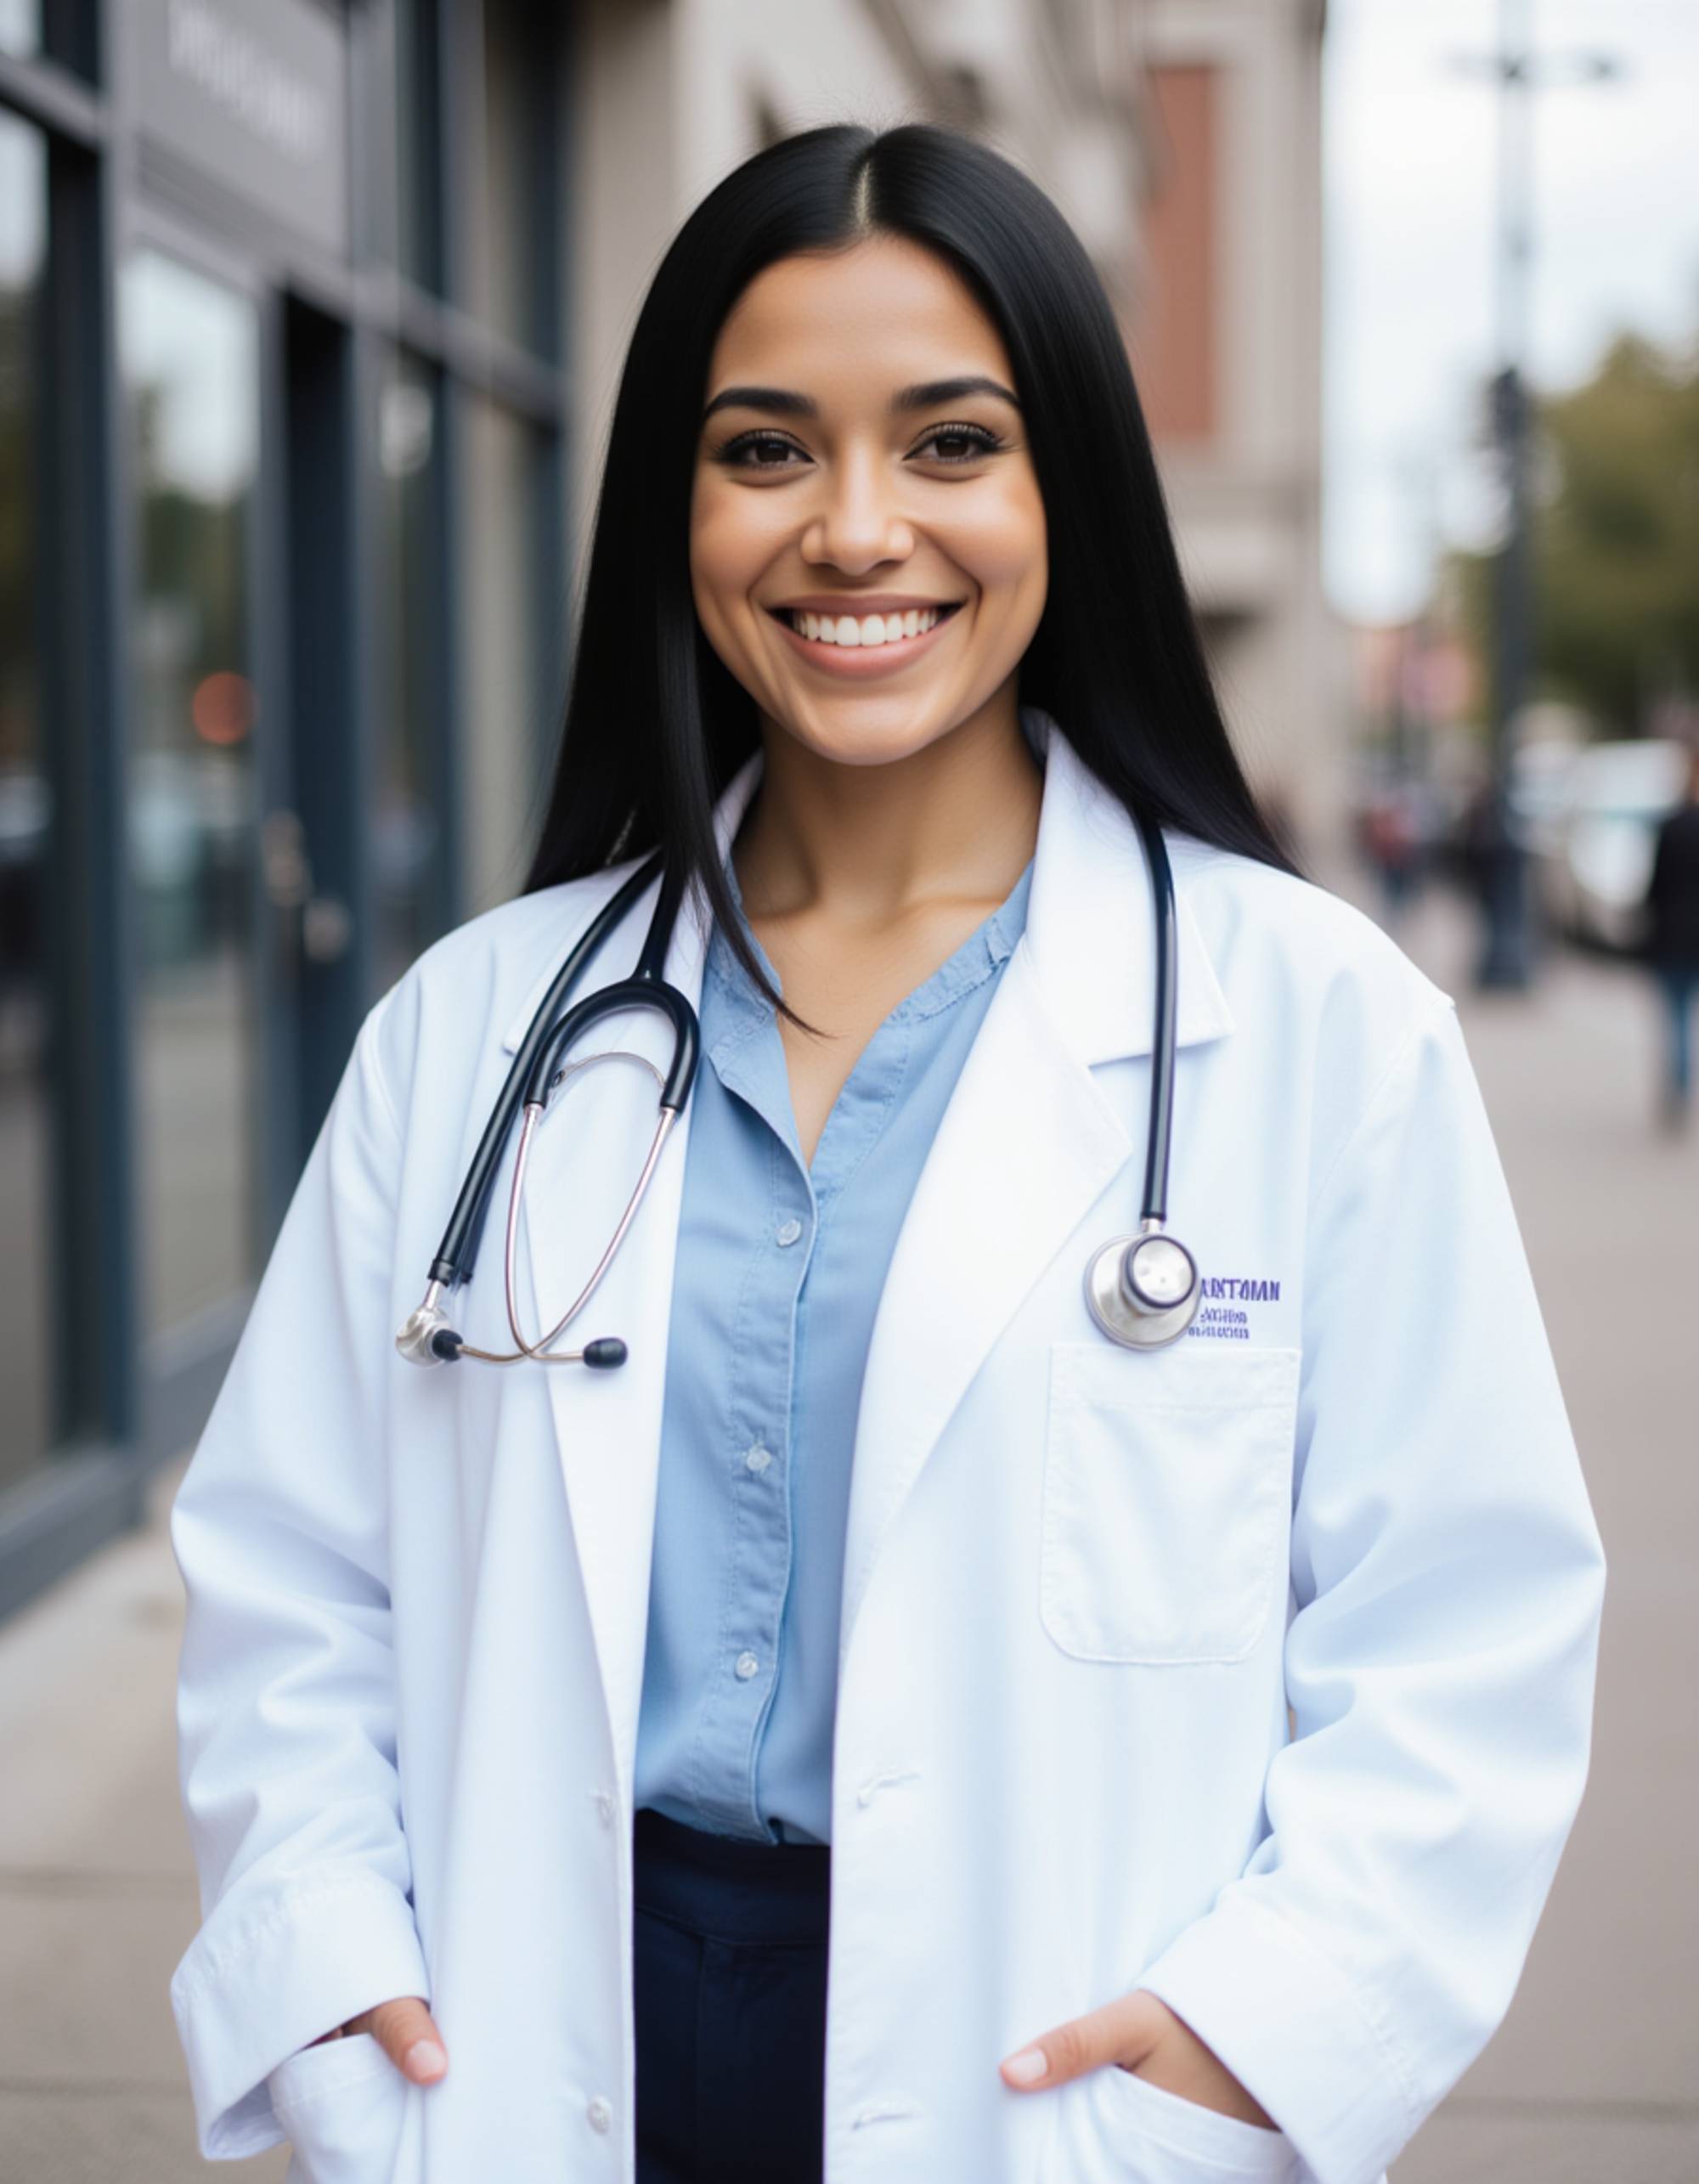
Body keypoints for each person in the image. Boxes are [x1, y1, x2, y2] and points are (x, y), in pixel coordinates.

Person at [167, 124, 1606, 2184]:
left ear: (1066, 492)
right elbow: (290, 1581)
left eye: (948, 446)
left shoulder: (1312, 1029)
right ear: (671, 500)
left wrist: (1255, 2036)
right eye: (763, 450)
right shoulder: (476, 1033)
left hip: (1051, 2059)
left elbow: (1462, 1625)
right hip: (527, 2026)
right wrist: (320, 1972)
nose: (853, 530)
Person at [1645, 743, 1699, 1129]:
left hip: (1673, 936)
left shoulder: (1670, 824)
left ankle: (1679, 1087)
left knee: (1676, 1016)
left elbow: (1655, 886)